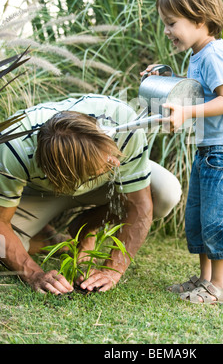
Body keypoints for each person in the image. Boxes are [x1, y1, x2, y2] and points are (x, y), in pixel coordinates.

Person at [141, 0, 223, 304]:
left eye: (172, 22)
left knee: (218, 218)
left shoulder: (214, 54)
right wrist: (163, 79)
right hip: (209, 151)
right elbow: (195, 94)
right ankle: (204, 279)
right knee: (201, 217)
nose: (167, 30)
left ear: (199, 18)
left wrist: (187, 113)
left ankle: (219, 286)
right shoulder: (198, 55)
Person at [0, 94, 181, 295]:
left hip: (104, 185)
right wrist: (34, 274)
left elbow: (140, 206)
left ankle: (87, 225)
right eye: (104, 164)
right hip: (41, 190)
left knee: (165, 192)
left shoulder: (122, 122)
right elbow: (1, 224)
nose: (116, 162)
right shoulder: (12, 147)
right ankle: (53, 240)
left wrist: (112, 271)